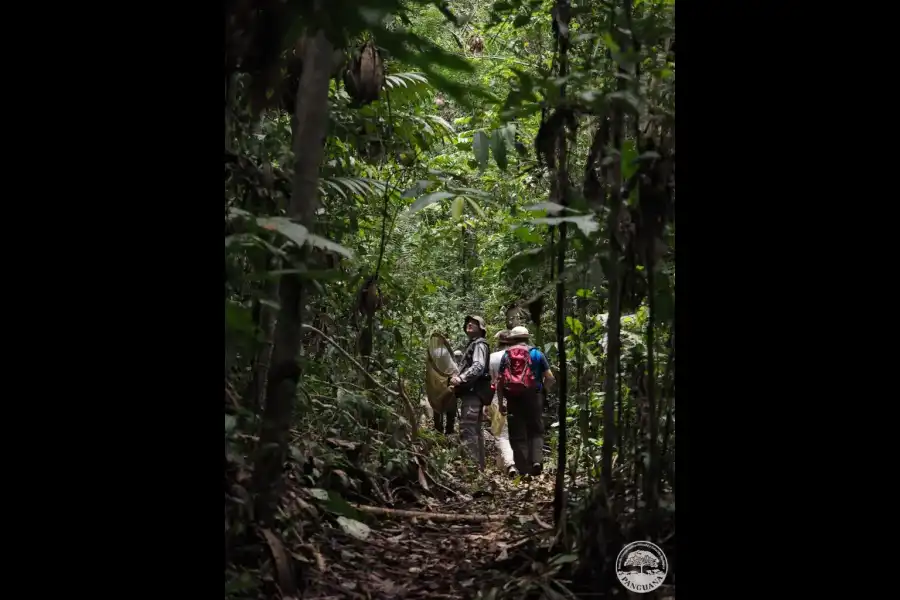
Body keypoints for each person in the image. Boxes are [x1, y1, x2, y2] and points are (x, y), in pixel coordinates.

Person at [496, 326, 555, 476]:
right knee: (536, 429)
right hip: (534, 396)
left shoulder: (507, 355)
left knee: (517, 433)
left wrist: (502, 401)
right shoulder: (537, 353)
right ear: (527, 337)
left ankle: (523, 469)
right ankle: (536, 461)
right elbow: (550, 378)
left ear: (512, 339)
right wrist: (542, 392)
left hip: (513, 398)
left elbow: (501, 381)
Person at [451, 315, 492, 469]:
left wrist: (461, 378)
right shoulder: (473, 344)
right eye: (468, 322)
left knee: (468, 429)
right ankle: (478, 468)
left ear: (481, 328)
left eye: (474, 323)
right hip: (475, 392)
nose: (469, 324)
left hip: (474, 393)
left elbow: (478, 367)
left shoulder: (479, 344)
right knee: (475, 430)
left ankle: (471, 469)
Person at [488, 330, 518, 477]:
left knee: (501, 433)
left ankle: (509, 464)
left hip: (495, 397)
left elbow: (489, 381)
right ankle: (509, 464)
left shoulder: (492, 358)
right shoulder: (519, 356)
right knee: (516, 432)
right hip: (519, 397)